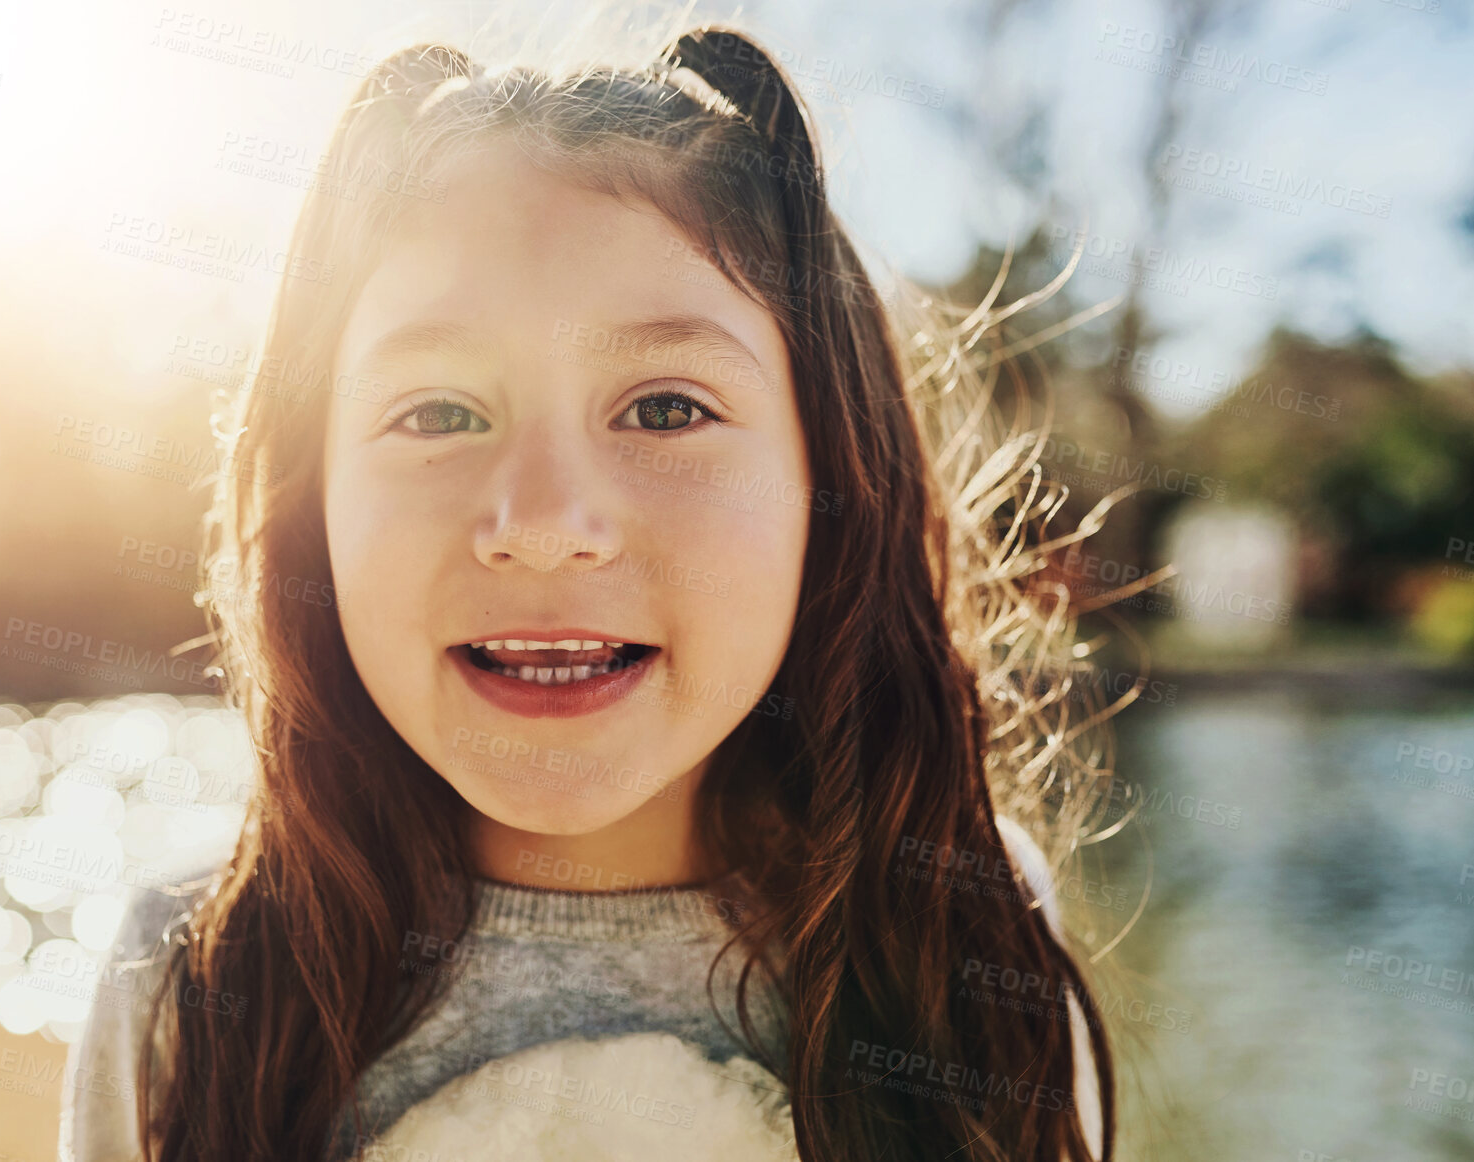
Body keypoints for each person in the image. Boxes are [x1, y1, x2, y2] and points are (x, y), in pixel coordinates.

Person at [61, 21, 1120, 1162]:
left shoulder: (963, 930)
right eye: (436, 414)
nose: (543, 528)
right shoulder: (198, 977)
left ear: (832, 478)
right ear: (315, 499)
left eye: (664, 409)